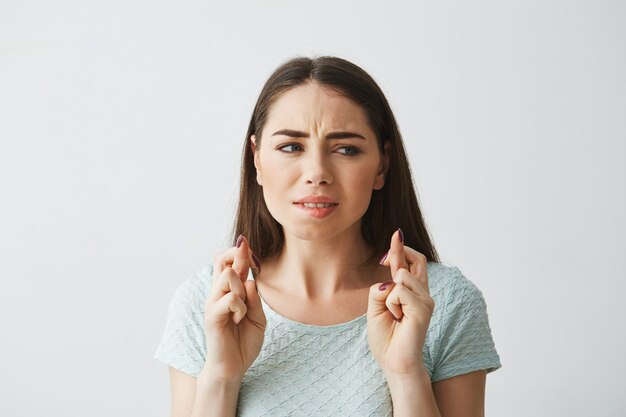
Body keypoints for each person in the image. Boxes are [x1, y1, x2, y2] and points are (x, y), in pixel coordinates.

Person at [154, 55, 502, 417]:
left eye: (346, 149)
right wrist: (222, 376)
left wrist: (405, 373)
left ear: (381, 164)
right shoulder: (207, 303)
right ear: (256, 159)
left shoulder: (444, 302)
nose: (316, 173)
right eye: (291, 147)